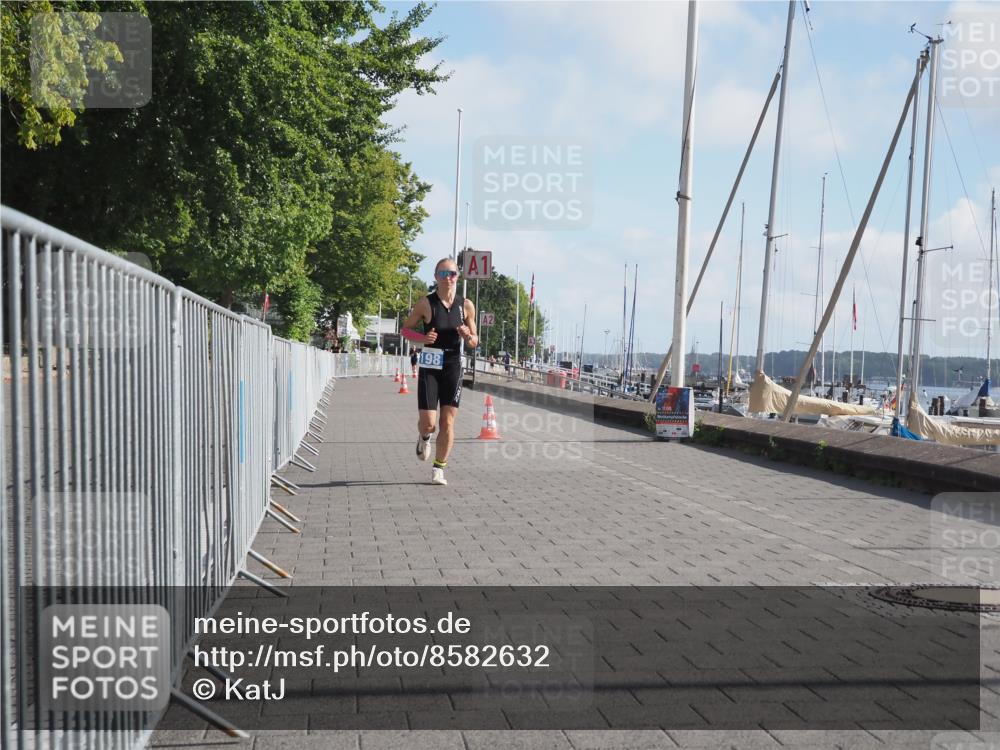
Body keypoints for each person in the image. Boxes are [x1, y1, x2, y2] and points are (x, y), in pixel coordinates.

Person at [401, 258, 478, 486]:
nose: (448, 278)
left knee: (448, 422)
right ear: (436, 277)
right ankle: (424, 437)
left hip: (453, 365)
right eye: (443, 274)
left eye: (452, 273)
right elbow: (405, 330)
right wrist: (423, 338)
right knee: (429, 423)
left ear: (458, 276)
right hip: (431, 365)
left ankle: (438, 469)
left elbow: (475, 341)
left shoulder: (466, 306)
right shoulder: (426, 303)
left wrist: (468, 336)